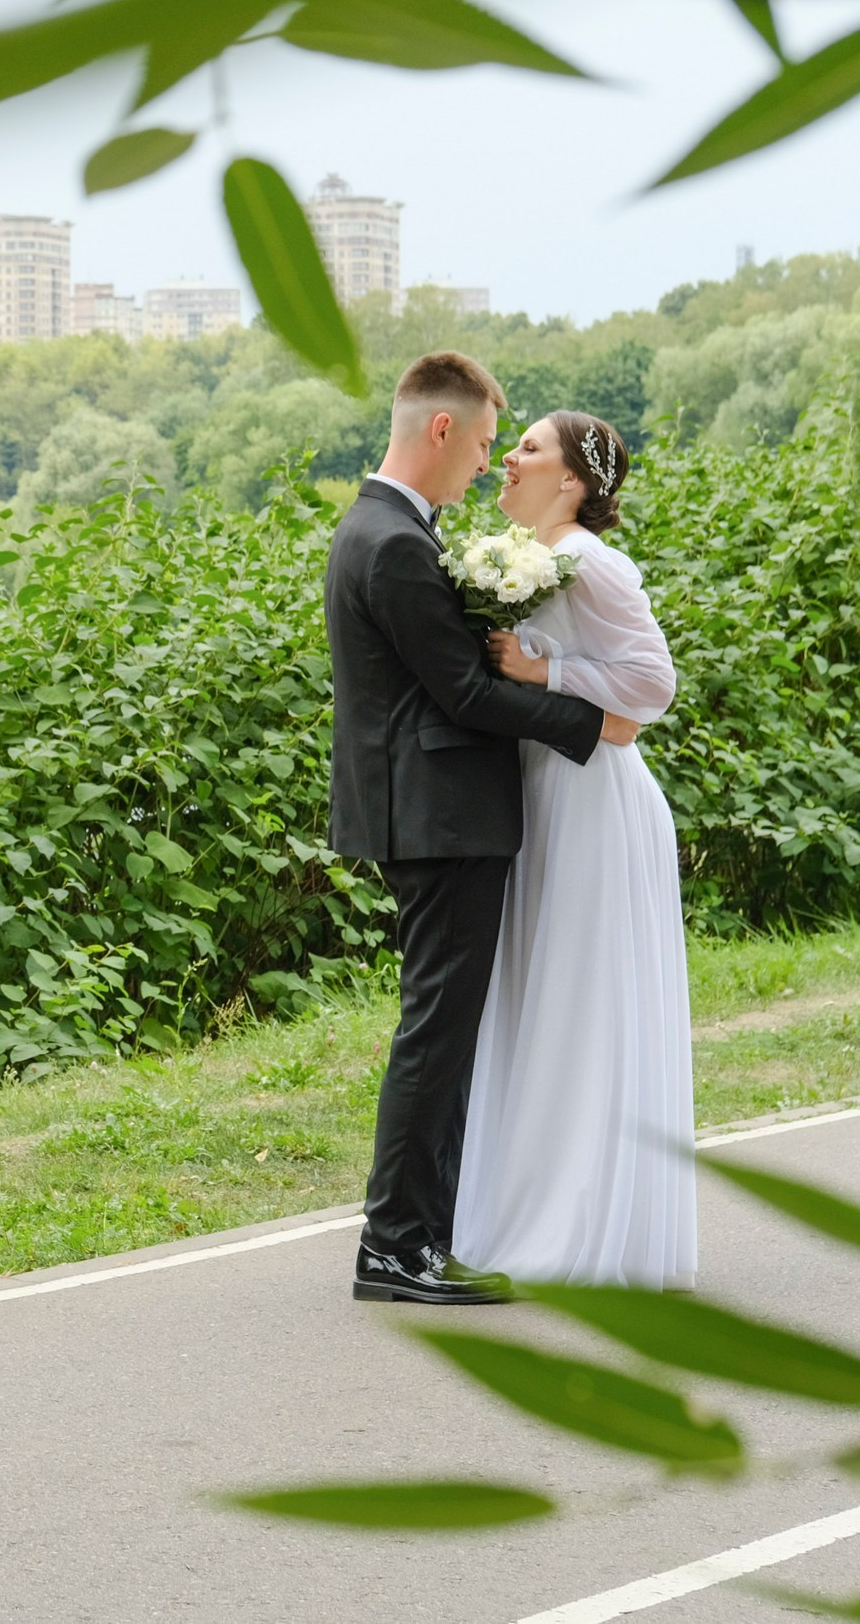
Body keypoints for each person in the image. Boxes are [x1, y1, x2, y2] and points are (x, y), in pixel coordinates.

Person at [323, 353, 641, 1306]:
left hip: (429, 814)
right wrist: (595, 726)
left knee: (445, 1026)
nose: (488, 465)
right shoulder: (393, 544)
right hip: (440, 818)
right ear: (440, 430)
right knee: (438, 1031)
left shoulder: (387, 530)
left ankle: (424, 1231)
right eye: (487, 444)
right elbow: (460, 690)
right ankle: (397, 1246)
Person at [454, 411, 698, 1290]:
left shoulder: (587, 561)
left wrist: (543, 672)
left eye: (527, 448)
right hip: (544, 794)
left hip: (592, 804)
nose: (508, 459)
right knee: (540, 996)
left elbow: (652, 684)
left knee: (575, 999)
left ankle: (576, 1225)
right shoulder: (533, 556)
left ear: (572, 483)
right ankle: (529, 1205)